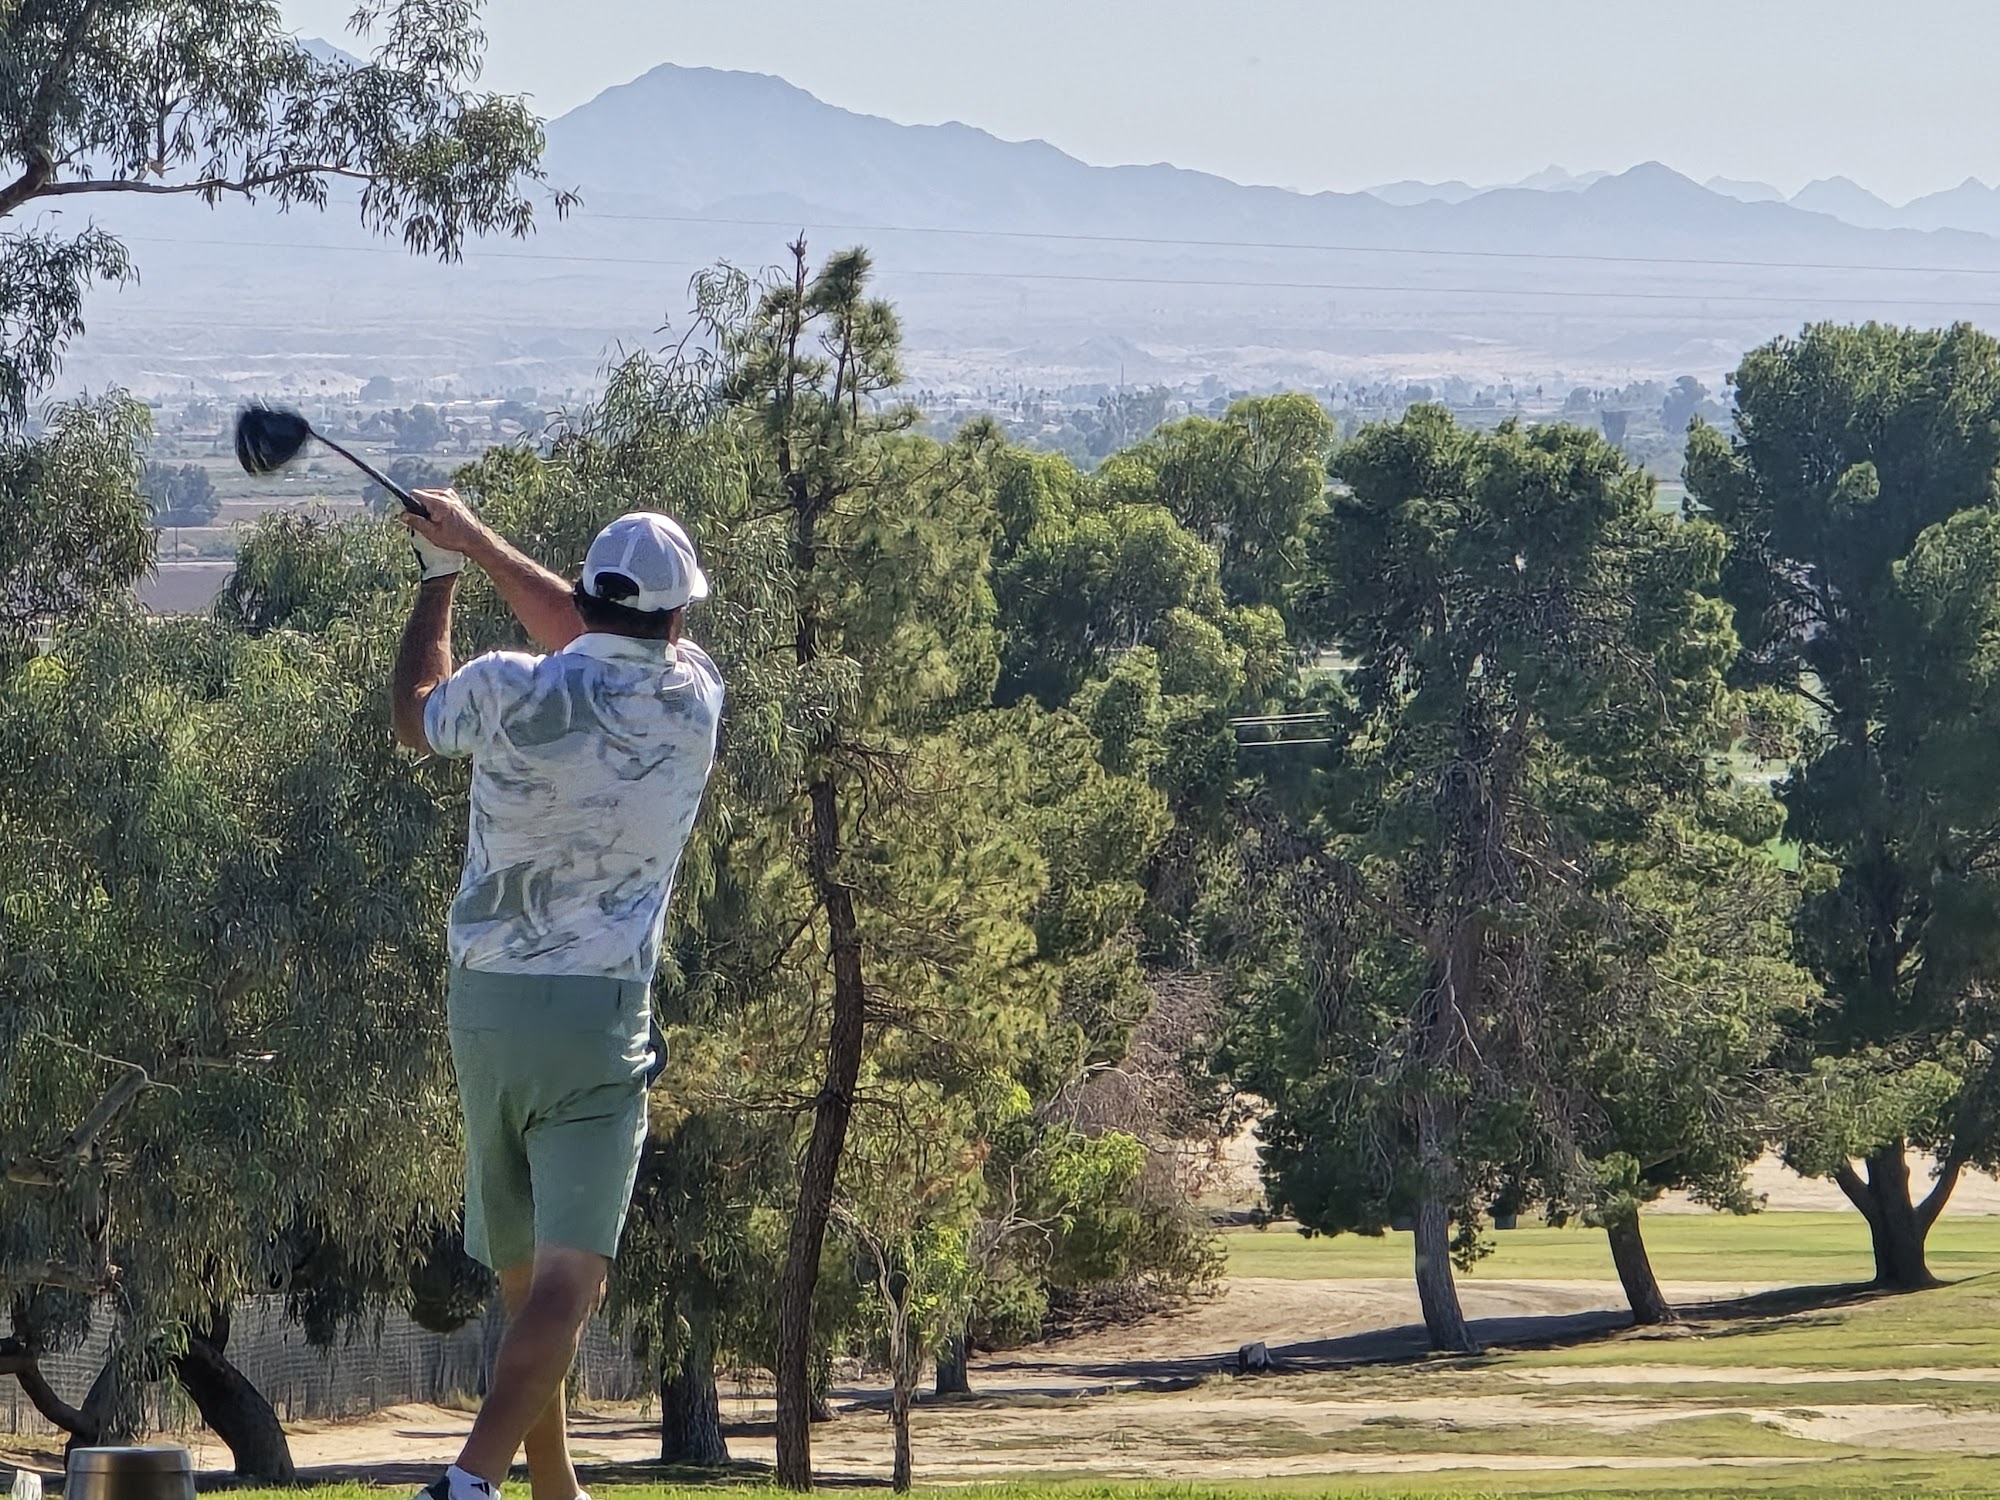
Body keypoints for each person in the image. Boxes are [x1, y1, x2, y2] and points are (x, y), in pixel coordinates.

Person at [389, 488, 724, 1500]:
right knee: (569, 1284)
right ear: (676, 619)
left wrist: (441, 577)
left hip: (485, 1008)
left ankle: (553, 1489)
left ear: (586, 592)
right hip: (596, 1019)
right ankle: (466, 1486)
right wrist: (482, 543)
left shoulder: (503, 691)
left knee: (529, 1281)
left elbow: (414, 719)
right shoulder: (692, 694)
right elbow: (594, 635)